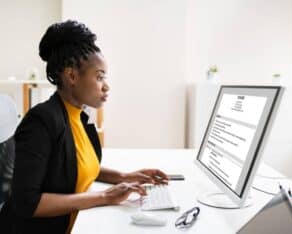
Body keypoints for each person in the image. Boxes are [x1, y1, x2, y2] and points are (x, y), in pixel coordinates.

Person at [0, 20, 168, 234]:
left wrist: (124, 176)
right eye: (99, 77)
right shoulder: (41, 122)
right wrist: (105, 197)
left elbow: (75, 168)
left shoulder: (79, 117)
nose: (106, 85)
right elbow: (26, 202)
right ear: (72, 76)